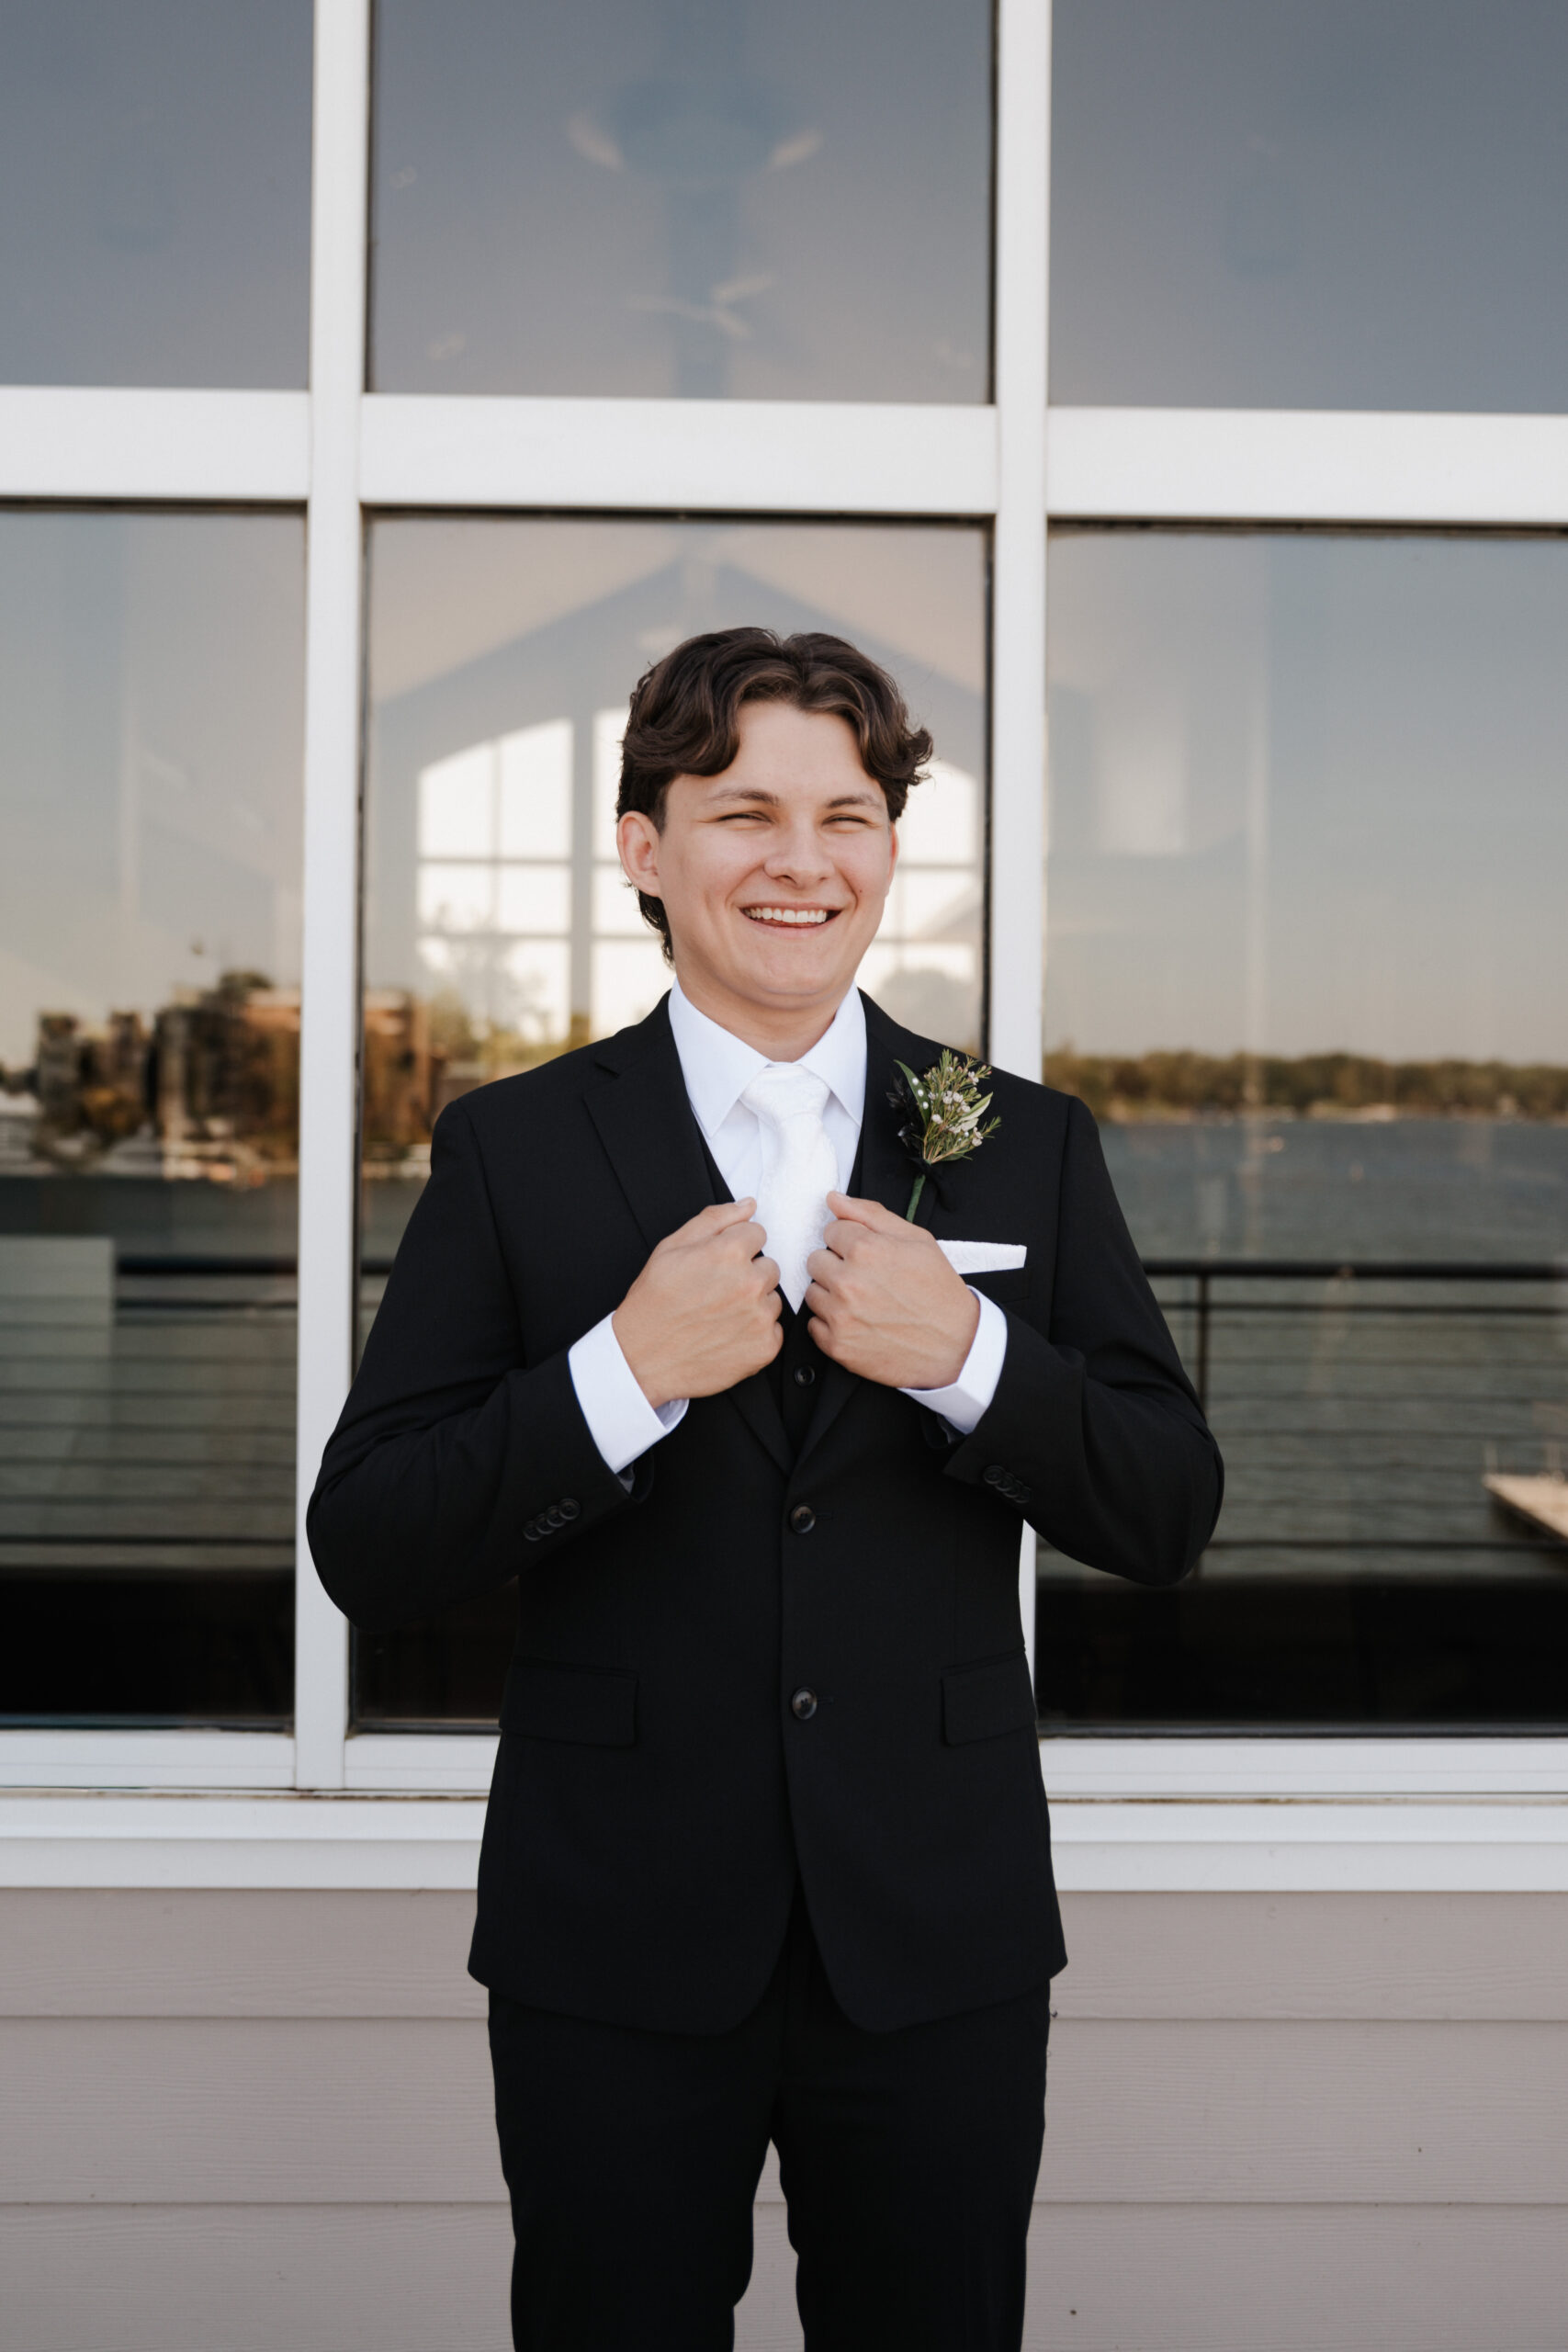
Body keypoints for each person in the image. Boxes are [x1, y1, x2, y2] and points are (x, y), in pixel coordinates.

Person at [309, 626, 1222, 2351]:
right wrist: (622, 1374)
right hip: (616, 1934)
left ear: (890, 847)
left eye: (850, 815)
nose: (803, 860)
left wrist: (966, 1352)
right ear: (647, 851)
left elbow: (1167, 1508)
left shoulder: (1021, 1137)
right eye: (744, 814)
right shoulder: (513, 1146)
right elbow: (369, 1539)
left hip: (935, 1929)